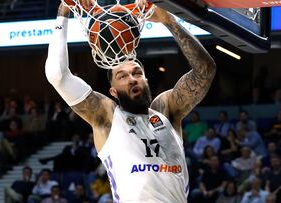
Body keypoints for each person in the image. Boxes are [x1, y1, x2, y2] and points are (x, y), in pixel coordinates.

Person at [45, 1, 216, 202]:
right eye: (122, 76)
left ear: (146, 79)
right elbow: (58, 75)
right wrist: (63, 11)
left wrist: (168, 20)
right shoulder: (107, 117)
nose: (132, 78)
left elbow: (205, 70)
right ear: (113, 92)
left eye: (137, 73)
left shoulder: (166, 109)